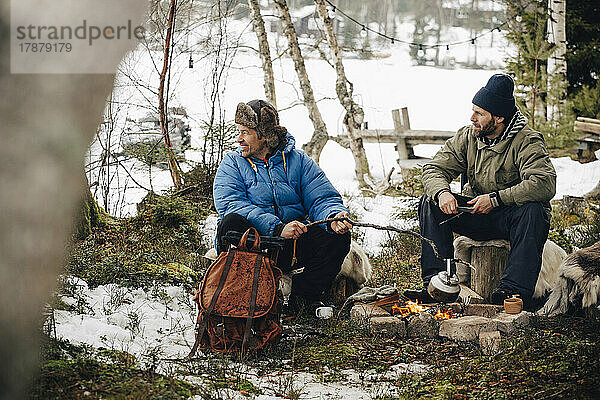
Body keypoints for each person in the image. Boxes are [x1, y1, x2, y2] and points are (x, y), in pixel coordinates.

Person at [409, 73, 556, 308]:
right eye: (473, 110)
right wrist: (443, 193)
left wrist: (496, 200)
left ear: (499, 117)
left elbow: (544, 183)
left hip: (510, 219)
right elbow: (434, 168)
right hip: (475, 213)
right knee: (430, 201)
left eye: (479, 113)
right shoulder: (468, 136)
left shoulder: (527, 141)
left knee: (534, 210)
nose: (472, 117)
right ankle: (438, 282)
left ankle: (513, 292)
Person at [213, 99, 352, 313]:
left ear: (264, 134)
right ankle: (242, 295)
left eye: (246, 132)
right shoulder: (232, 163)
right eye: (239, 131)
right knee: (230, 223)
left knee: (337, 236)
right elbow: (230, 203)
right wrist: (276, 228)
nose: (239, 138)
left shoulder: (298, 160)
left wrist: (333, 216)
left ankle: (304, 298)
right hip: (255, 244)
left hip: (292, 246)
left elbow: (321, 197)